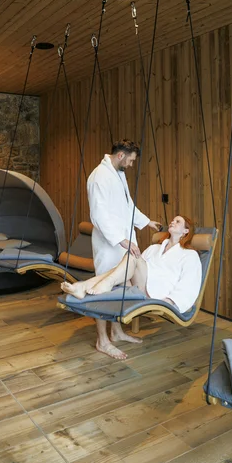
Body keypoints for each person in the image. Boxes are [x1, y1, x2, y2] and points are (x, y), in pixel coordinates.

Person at [62, 215, 203, 360]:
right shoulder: (154, 248)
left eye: (178, 221)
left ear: (186, 231)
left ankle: (86, 285)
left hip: (156, 294)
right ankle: (113, 329)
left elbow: (189, 284)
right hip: (138, 285)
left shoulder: (189, 255)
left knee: (132, 255)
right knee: (122, 269)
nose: (173, 221)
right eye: (173, 219)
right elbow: (132, 267)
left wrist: (170, 301)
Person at [84, 140, 163, 356]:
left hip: (123, 241)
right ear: (120, 155)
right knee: (103, 289)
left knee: (121, 287)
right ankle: (102, 340)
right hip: (109, 244)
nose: (130, 165)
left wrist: (147, 222)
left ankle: (117, 332)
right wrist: (121, 240)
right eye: (130, 160)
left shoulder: (118, 174)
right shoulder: (99, 177)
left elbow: (128, 206)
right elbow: (98, 214)